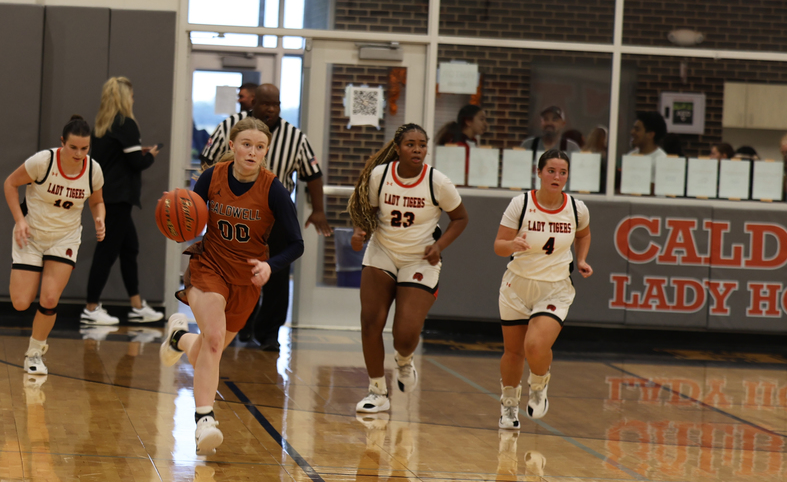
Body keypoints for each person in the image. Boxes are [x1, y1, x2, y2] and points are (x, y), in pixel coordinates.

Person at [160, 117, 304, 453]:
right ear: (232, 146)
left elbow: (296, 244)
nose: (252, 152)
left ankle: (179, 337)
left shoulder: (274, 189)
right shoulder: (212, 177)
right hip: (208, 266)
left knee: (207, 352)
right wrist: (178, 224)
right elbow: (191, 215)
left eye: (260, 147)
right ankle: (204, 420)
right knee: (212, 341)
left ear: (266, 152)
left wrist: (270, 266)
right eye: (246, 145)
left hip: (247, 279)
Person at [347, 123, 469, 414]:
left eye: (422, 144)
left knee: (404, 334)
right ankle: (377, 390)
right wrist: (359, 231)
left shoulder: (437, 182)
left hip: (420, 258)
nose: (417, 149)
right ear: (398, 148)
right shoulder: (381, 175)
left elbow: (461, 218)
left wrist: (439, 247)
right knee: (370, 322)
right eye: (410, 144)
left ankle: (404, 359)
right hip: (383, 251)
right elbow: (369, 213)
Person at [201, 83, 330, 351]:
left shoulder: (295, 137)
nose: (271, 109)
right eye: (265, 104)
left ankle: (270, 333)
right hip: (233, 211)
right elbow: (207, 159)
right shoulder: (230, 126)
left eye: (276, 104)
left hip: (273, 214)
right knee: (237, 271)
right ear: (253, 103)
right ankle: (240, 328)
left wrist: (318, 210)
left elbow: (313, 174)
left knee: (274, 275)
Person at [492, 149, 592, 429]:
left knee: (534, 345)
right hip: (517, 286)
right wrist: (512, 245)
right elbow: (498, 245)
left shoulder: (576, 208)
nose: (557, 177)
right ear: (539, 172)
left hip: (555, 289)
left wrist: (581, 259)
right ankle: (509, 405)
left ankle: (539, 384)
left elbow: (583, 234)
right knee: (513, 352)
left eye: (562, 172)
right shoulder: (520, 204)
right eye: (551, 171)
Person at [4, 116, 105, 377]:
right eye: (74, 148)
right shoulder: (43, 162)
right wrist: (19, 220)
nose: (79, 154)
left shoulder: (93, 170)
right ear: (62, 143)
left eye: (85, 148)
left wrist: (99, 217)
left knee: (49, 298)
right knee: (20, 302)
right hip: (32, 234)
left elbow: (97, 201)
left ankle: (35, 352)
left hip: (65, 238)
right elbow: (10, 184)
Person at [81, 76, 163, 326]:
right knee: (106, 252)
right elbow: (136, 162)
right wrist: (151, 156)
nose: (133, 99)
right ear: (124, 98)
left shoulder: (102, 125)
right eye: (131, 95)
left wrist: (139, 152)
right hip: (117, 198)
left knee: (130, 249)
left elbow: (119, 159)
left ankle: (137, 305)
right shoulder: (126, 124)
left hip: (108, 196)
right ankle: (91, 309)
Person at [198, 82, 257, 168]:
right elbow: (206, 159)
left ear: (254, 98)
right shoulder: (230, 123)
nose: (238, 100)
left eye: (241, 97)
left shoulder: (281, 128)